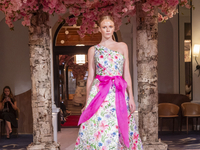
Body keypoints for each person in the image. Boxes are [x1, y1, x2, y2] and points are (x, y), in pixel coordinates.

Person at [74, 15, 143, 149]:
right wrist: (87, 101)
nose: (107, 30)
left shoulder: (122, 46)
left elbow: (126, 73)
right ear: (99, 29)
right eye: (104, 27)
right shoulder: (93, 50)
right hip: (100, 92)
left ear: (114, 28)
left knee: (120, 122)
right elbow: (90, 77)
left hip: (118, 91)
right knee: (99, 126)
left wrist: (132, 98)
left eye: (110, 27)